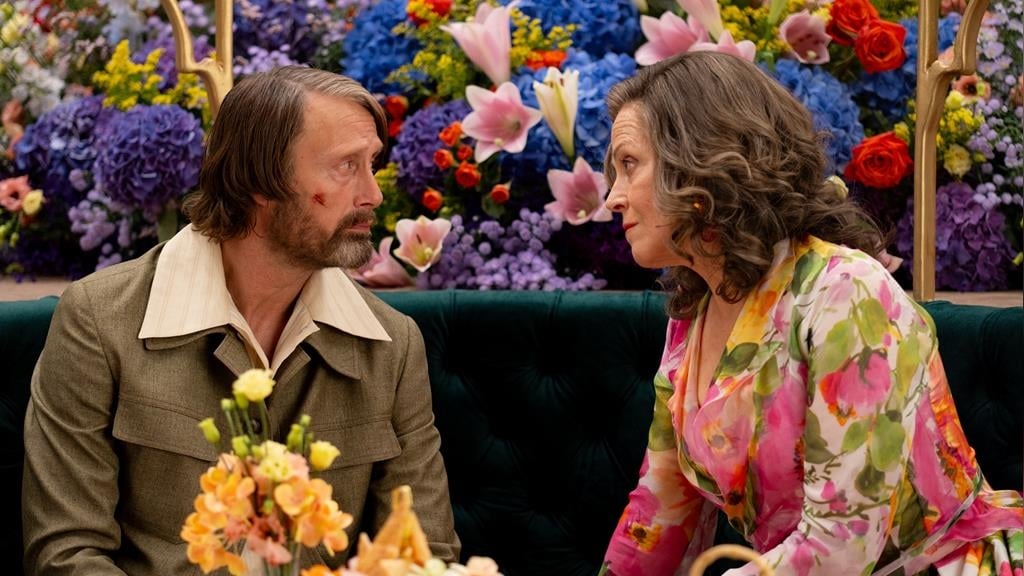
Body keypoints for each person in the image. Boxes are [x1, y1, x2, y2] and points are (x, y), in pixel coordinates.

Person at [22, 66, 460, 574]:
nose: (373, 194)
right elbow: (68, 554)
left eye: (372, 164)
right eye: (346, 166)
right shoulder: (99, 321)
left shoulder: (392, 343)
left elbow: (422, 555)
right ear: (259, 182)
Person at [599, 52, 1023, 576]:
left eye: (629, 164)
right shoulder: (691, 317)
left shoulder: (846, 292)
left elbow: (843, 545)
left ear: (698, 160)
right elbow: (658, 514)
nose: (612, 198)